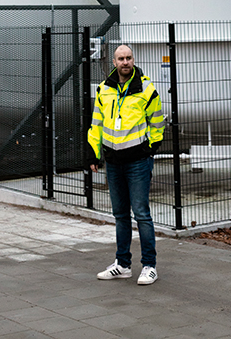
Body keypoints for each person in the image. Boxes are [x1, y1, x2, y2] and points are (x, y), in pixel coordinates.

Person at [88, 43, 164, 285]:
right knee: (120, 215)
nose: (125, 62)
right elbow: (96, 125)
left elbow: (157, 122)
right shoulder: (103, 90)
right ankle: (122, 264)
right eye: (121, 58)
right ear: (114, 62)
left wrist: (151, 148)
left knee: (141, 214)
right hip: (113, 162)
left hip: (138, 162)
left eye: (129, 58)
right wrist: (94, 154)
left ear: (133, 60)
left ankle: (149, 266)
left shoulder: (146, 89)